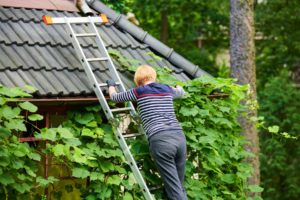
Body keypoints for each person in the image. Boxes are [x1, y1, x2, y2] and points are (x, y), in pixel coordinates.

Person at [106, 65, 187, 200]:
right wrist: (178, 86)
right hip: (179, 138)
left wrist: (111, 85)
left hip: (161, 140)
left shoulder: (139, 91)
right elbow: (181, 92)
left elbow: (114, 97)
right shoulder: (167, 88)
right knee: (179, 186)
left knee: (175, 191)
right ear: (153, 76)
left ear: (138, 79)